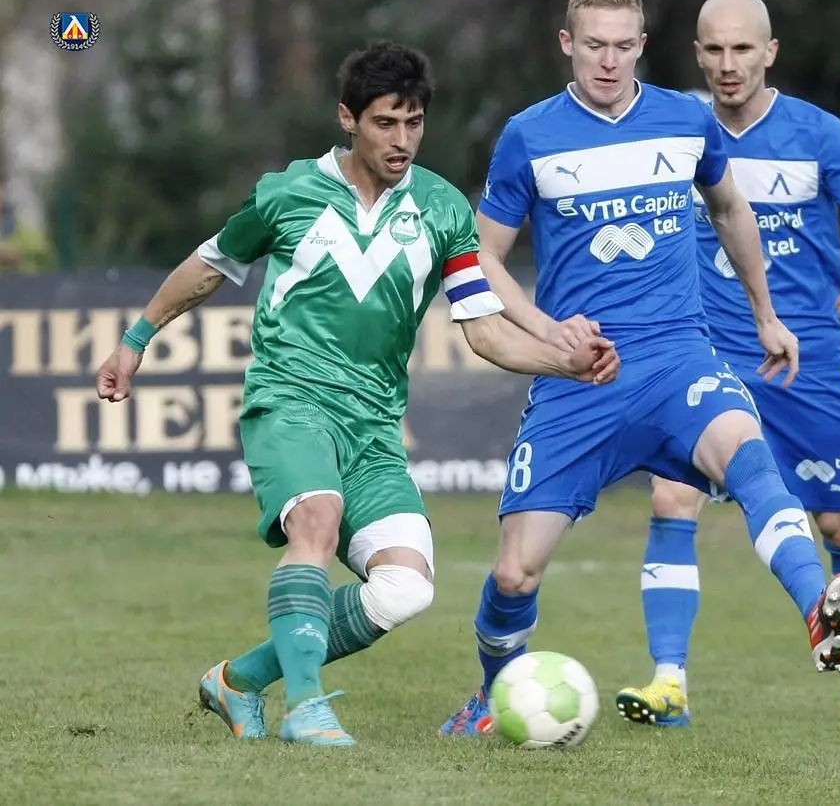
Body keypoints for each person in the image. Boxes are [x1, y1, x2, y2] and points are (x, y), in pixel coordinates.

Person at [94, 41, 621, 748]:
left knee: (407, 588)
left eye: (413, 123)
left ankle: (239, 680)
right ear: (348, 118)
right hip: (291, 400)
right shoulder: (287, 193)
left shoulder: (443, 210)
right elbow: (210, 264)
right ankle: (306, 707)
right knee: (316, 520)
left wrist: (565, 363)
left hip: (373, 428)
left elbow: (485, 332)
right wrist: (136, 338)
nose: (401, 140)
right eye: (385, 123)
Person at [440, 0, 840, 738]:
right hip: (582, 378)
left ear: (641, 44)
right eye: (593, 46)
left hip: (678, 356)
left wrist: (765, 315)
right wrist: (548, 331)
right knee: (515, 572)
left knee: (747, 452)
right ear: (567, 44)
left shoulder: (684, 119)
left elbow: (729, 208)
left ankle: (817, 607)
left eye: (622, 46)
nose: (608, 61)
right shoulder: (529, 135)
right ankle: (491, 692)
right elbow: (482, 255)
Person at [616, 0, 840, 728]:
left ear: (769, 52)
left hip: (803, 359)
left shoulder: (817, 132)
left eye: (742, 48)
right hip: (705, 352)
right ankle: (668, 682)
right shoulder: (677, 132)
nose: (728, 64)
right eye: (713, 50)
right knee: (671, 498)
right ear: (696, 55)